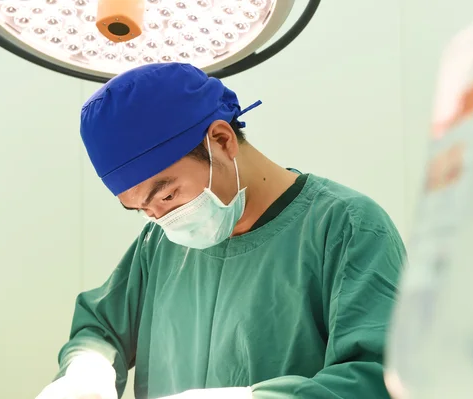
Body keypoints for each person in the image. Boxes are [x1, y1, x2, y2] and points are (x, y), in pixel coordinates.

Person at [35, 62, 407, 399]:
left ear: (222, 139)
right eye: (142, 210)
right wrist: (86, 373)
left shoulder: (346, 226)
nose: (163, 219)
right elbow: (101, 328)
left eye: (166, 195)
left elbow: (376, 379)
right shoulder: (159, 243)